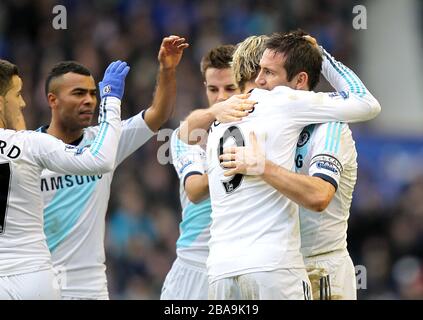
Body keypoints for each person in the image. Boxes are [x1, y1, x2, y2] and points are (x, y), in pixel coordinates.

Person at [206, 31, 380, 299]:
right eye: (259, 71)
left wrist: (319, 53)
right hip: (278, 265)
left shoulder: (328, 124)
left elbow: (320, 196)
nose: (261, 82)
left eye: (269, 73)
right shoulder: (258, 116)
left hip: (322, 268)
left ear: (299, 81)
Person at [39, 36, 188, 300]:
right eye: (78, 94)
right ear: (53, 100)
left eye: (92, 94)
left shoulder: (104, 142)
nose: (88, 101)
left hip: (90, 288)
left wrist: (167, 70)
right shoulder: (29, 151)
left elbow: (158, 114)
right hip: (39, 284)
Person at [0, 58, 128, 299]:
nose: (24, 103)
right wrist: (111, 100)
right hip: (32, 276)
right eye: (17, 95)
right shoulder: (30, 144)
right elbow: (99, 159)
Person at [162, 44, 247, 299]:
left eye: (230, 88)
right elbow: (196, 190)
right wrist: (245, 163)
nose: (221, 97)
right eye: (213, 89)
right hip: (194, 270)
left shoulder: (262, 133)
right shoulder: (186, 136)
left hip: (242, 272)